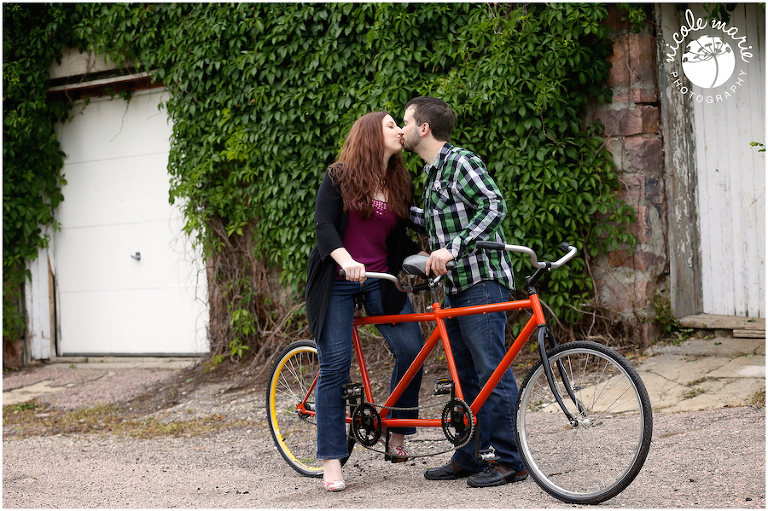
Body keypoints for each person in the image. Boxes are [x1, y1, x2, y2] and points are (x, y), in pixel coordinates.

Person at [399, 96, 527, 488]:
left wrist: (453, 248)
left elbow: (494, 205)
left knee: (492, 370)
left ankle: (509, 460)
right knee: (466, 377)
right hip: (455, 287)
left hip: (481, 281)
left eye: (405, 122)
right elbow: (434, 221)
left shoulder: (459, 162)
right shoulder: (432, 174)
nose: (401, 129)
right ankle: (471, 455)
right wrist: (389, 210)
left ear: (423, 128)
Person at [305, 111, 426, 492]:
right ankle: (331, 459)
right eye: (391, 125)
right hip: (338, 279)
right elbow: (324, 226)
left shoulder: (399, 183)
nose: (399, 130)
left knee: (413, 350)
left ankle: (395, 430)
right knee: (335, 367)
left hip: (381, 280)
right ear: (372, 134)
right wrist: (346, 260)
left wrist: (425, 258)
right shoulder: (339, 176)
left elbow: (398, 240)